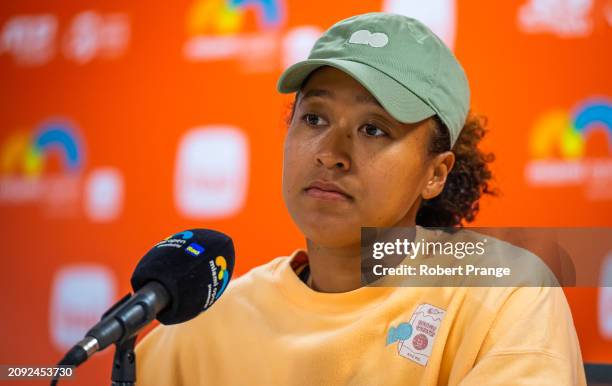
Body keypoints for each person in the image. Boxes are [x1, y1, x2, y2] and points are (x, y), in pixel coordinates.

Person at [135, 12, 586, 385]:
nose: (331, 154)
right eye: (314, 118)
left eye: (374, 129)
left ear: (435, 173)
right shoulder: (207, 320)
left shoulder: (504, 295)